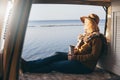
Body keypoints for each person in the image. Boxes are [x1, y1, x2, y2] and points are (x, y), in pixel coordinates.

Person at [21, 13, 107, 74]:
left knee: (54, 65)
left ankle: (29, 69)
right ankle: (29, 64)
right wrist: (75, 47)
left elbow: (94, 56)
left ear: (91, 24)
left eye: (86, 23)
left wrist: (76, 57)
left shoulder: (97, 39)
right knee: (57, 54)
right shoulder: (86, 36)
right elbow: (79, 50)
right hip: (76, 58)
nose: (84, 24)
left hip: (85, 66)